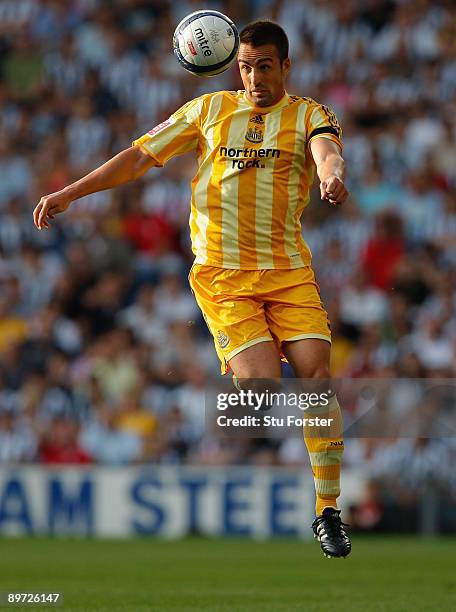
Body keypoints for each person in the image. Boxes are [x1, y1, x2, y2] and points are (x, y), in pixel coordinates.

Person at [33, 20, 351, 558]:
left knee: (318, 376)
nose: (253, 76)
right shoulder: (207, 111)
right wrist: (72, 192)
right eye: (245, 66)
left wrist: (330, 174)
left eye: (265, 66)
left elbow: (327, 151)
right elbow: (139, 156)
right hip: (223, 277)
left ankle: (327, 511)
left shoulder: (308, 113)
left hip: (287, 271)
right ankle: (221, 385)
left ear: (286, 67)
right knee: (262, 391)